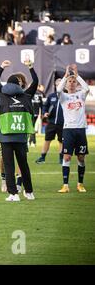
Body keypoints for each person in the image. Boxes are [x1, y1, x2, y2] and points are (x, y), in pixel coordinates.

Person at [0, 59, 37, 201]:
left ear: (8, 84)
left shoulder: (2, 95)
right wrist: (30, 67)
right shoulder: (26, 96)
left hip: (5, 135)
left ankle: (13, 194)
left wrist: (1, 67)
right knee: (24, 165)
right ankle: (29, 192)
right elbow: (35, 82)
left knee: (9, 165)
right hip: (21, 136)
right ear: (19, 84)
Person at [56, 64, 90, 193]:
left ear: (76, 84)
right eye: (69, 82)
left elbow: (86, 89)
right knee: (67, 157)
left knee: (81, 158)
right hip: (68, 130)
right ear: (66, 84)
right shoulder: (64, 97)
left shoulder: (81, 95)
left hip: (80, 129)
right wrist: (65, 76)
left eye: (73, 81)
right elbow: (58, 91)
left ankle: (80, 184)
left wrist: (77, 75)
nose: (71, 83)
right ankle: (65, 185)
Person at [36, 78, 64, 165]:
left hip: (62, 123)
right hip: (51, 122)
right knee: (47, 140)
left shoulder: (67, 96)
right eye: (57, 85)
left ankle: (61, 158)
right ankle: (42, 157)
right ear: (55, 86)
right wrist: (45, 113)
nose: (59, 86)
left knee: (61, 141)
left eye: (61, 84)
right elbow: (45, 106)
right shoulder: (51, 96)